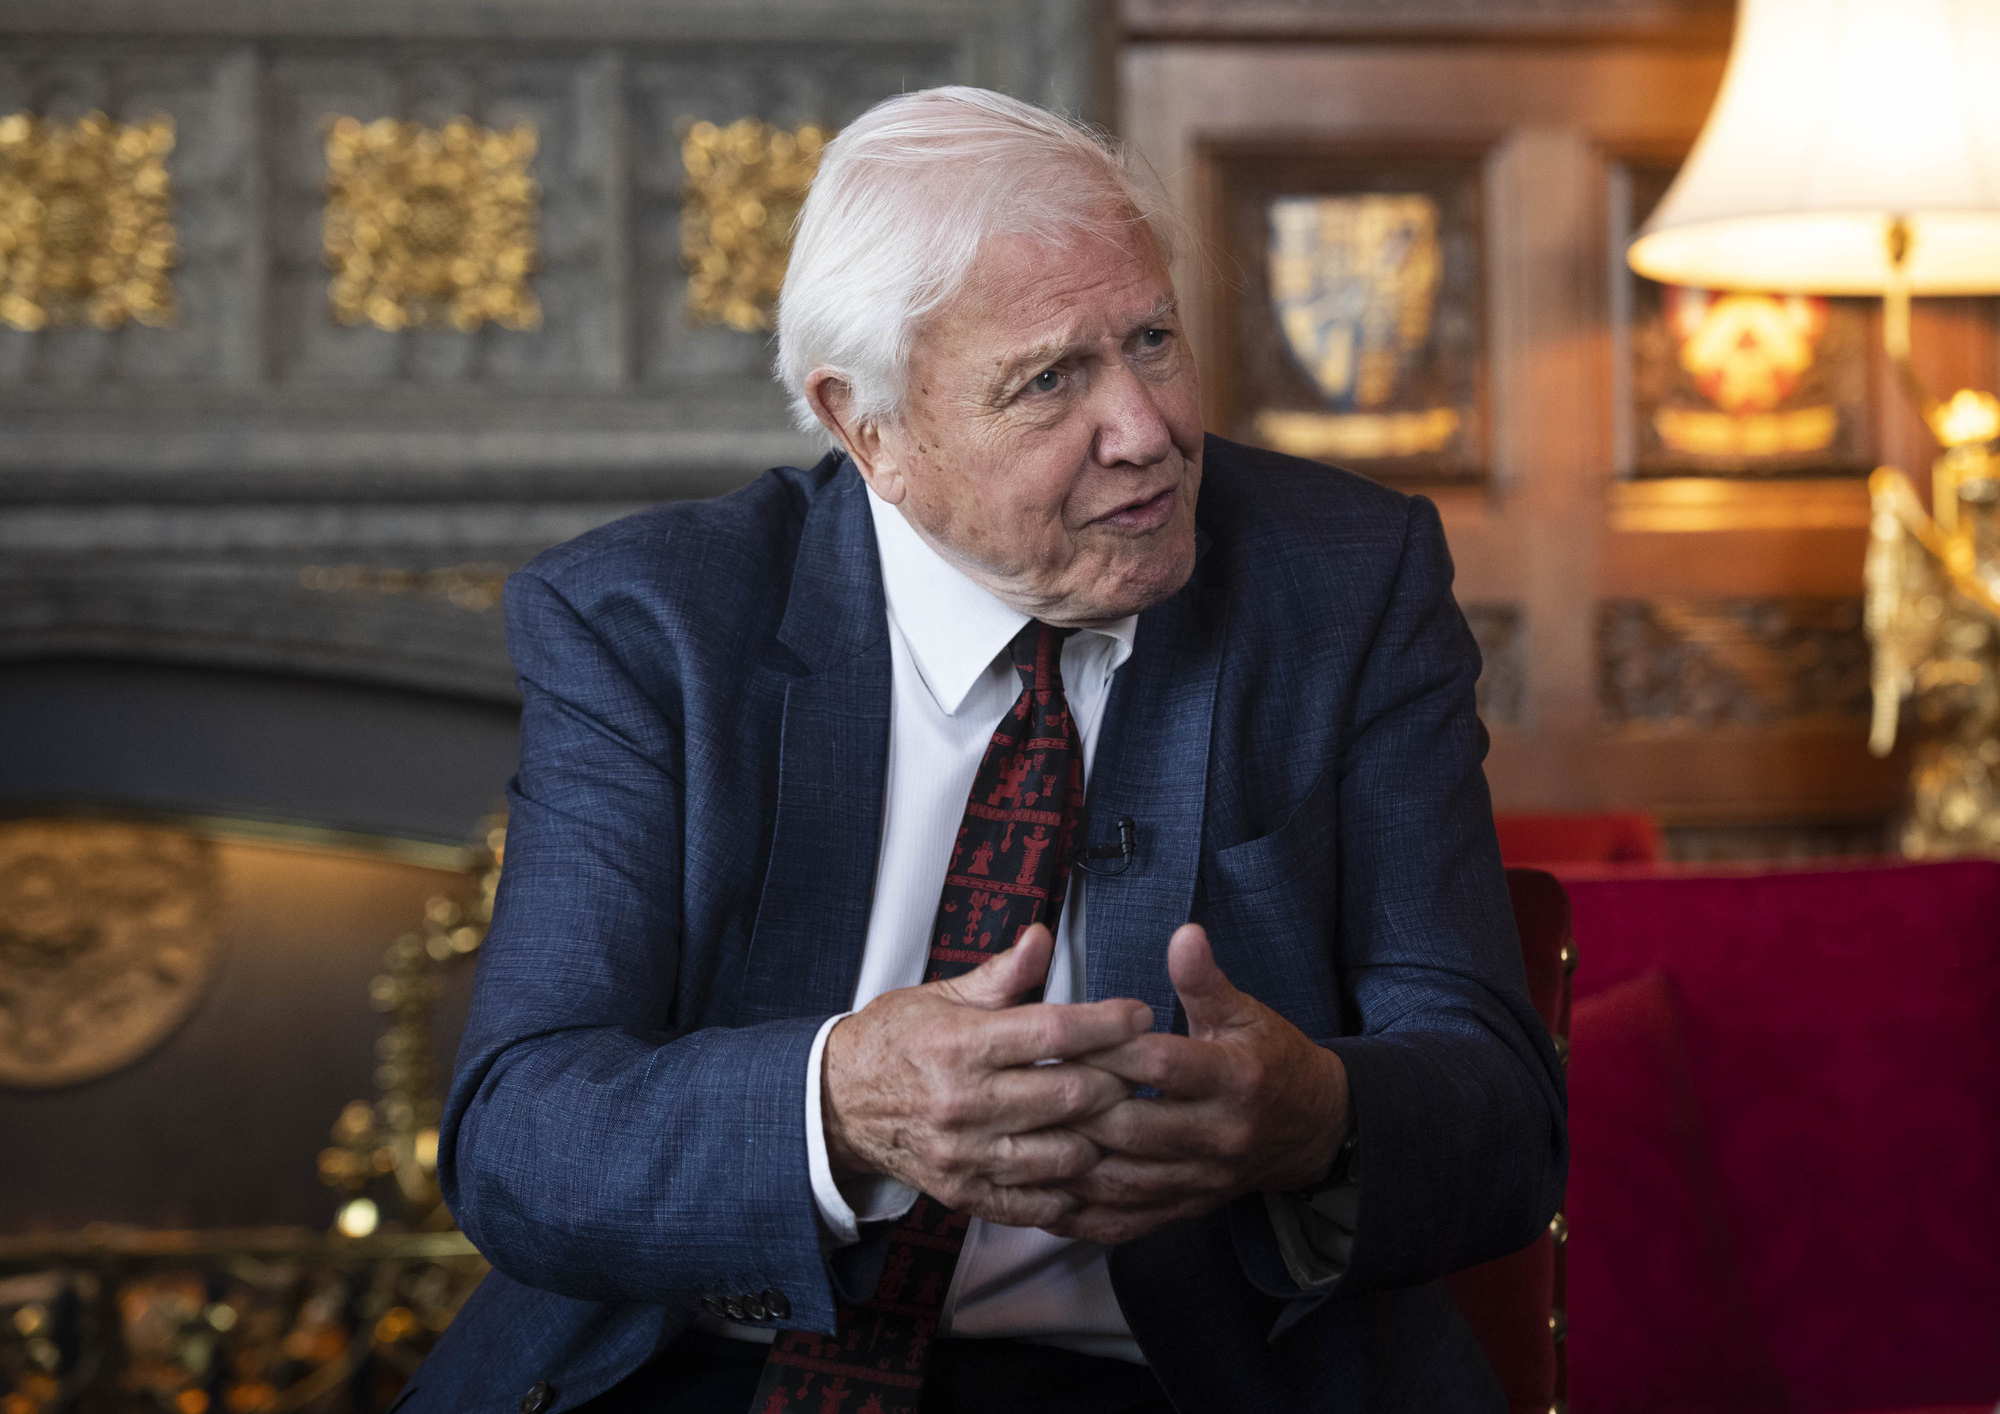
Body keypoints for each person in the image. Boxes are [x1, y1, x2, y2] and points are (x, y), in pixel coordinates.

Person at [398, 87, 1565, 1414]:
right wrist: (840, 1104)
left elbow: (1502, 1115)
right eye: (1050, 379)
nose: (1147, 430)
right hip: (707, 1363)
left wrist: (1316, 1115)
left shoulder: (1347, 583)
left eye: (1154, 341)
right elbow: (522, 1135)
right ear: (870, 429)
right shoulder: (651, 626)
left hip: (1175, 1376)